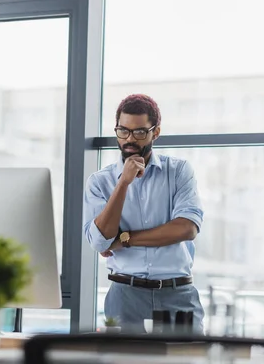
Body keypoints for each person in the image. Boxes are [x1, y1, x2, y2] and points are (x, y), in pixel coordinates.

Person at [83, 93, 205, 333]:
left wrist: (124, 239)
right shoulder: (100, 182)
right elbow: (99, 241)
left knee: (185, 359)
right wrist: (123, 183)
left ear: (155, 132)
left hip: (176, 294)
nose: (129, 139)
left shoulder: (179, 171)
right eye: (122, 131)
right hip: (124, 296)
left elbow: (187, 228)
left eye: (139, 132)